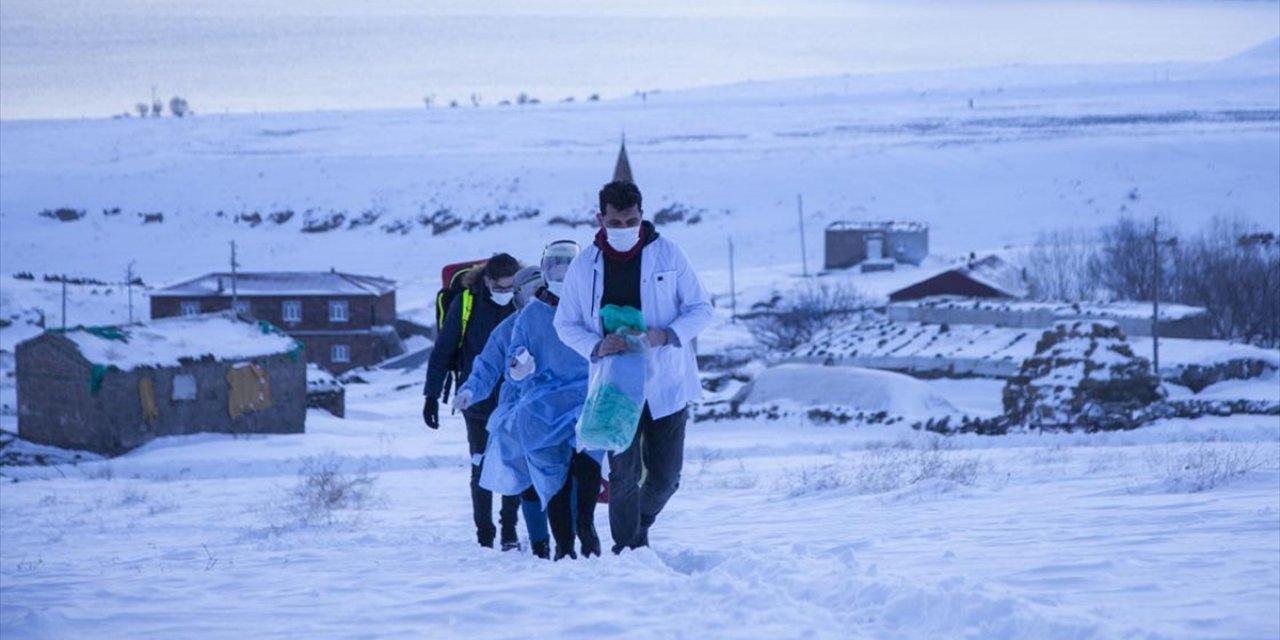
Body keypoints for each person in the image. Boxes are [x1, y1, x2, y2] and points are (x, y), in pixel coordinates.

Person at [554, 181, 714, 554]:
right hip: (615, 386)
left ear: (642, 215)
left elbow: (701, 308)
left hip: (665, 380)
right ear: (600, 219)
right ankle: (627, 551)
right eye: (616, 222)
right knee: (622, 474)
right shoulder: (584, 266)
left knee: (666, 477)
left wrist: (667, 335)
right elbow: (565, 324)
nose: (624, 229)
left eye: (630, 221)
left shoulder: (669, 254)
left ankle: (638, 528)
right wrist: (596, 344)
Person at [464, 240, 602, 560]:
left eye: (567, 265)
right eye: (554, 266)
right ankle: (556, 544)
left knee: (586, 466)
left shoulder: (590, 307)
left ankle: (585, 527)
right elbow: (495, 362)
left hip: (584, 401)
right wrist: (514, 370)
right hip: (539, 409)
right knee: (547, 480)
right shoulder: (524, 320)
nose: (561, 272)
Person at [423, 253, 522, 550]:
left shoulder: (523, 302)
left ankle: (509, 531)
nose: (506, 294)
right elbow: (443, 350)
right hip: (475, 400)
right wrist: (431, 395)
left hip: (514, 400)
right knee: (480, 465)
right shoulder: (466, 303)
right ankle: (485, 533)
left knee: (512, 464)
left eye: (511, 288)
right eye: (501, 288)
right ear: (488, 281)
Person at [454, 266, 553, 558]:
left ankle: (572, 537)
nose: (536, 297)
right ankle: (539, 544)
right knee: (527, 479)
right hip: (522, 413)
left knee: (565, 479)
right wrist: (470, 390)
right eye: (529, 292)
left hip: (562, 412)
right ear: (518, 297)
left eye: (541, 289)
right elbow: (486, 365)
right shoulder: (510, 328)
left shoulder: (566, 321)